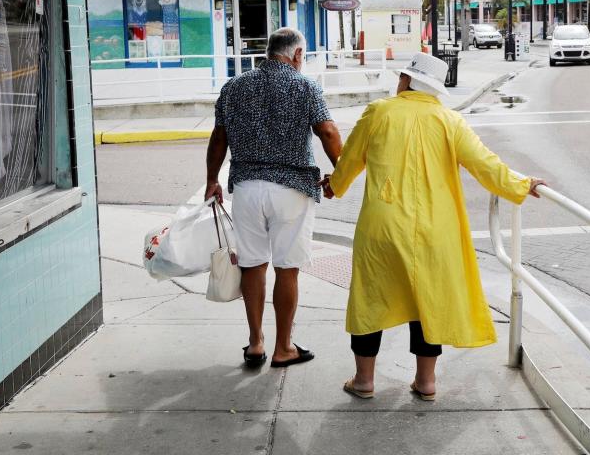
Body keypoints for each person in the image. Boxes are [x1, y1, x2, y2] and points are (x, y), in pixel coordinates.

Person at [321, 52, 546, 400]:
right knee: (427, 299)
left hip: (383, 226)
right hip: (434, 230)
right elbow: (484, 164)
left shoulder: (379, 112)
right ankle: (426, 382)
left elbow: (350, 159)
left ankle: (364, 381)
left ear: (408, 81)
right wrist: (521, 184)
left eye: (401, 76)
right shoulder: (450, 121)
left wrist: (335, 187)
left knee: (370, 299)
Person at [205, 28, 342, 368]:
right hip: (292, 188)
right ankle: (284, 348)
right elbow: (327, 131)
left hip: (248, 187)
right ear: (296, 55)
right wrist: (341, 174)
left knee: (252, 265)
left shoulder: (234, 87)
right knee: (287, 268)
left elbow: (218, 138)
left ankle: (255, 343)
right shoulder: (305, 86)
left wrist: (211, 180)